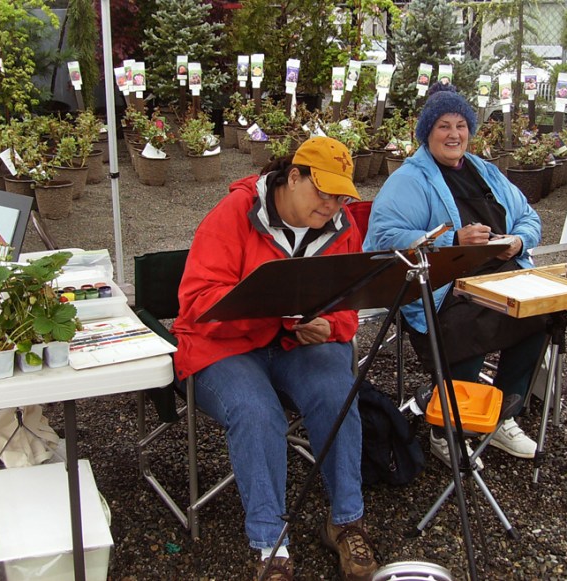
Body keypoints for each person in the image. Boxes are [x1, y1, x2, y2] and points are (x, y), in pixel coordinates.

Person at [172, 137, 378, 581]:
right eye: (322, 192)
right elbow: (197, 304)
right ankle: (270, 543)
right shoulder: (234, 214)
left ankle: (346, 520)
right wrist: (277, 314)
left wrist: (331, 326)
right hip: (224, 346)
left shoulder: (342, 227)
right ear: (293, 177)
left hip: (294, 344)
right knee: (255, 410)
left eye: (340, 195)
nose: (331, 205)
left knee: (337, 390)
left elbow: (348, 306)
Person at [364, 82, 545, 468]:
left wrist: (518, 240)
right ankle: (446, 428)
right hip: (444, 287)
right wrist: (453, 238)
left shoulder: (486, 171)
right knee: (473, 321)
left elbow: (529, 216)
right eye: (443, 125)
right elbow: (382, 237)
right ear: (427, 132)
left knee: (539, 312)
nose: (454, 134)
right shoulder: (409, 179)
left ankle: (501, 417)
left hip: (502, 273)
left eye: (461, 125)